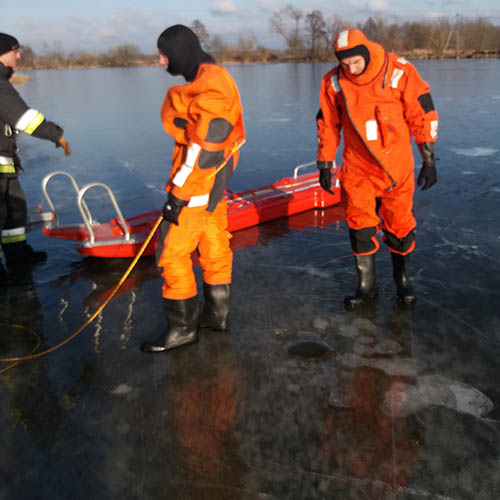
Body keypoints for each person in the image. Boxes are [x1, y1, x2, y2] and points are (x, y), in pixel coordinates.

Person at [141, 25, 245, 353]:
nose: (160, 61)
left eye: (164, 54)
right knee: (214, 246)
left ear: (180, 52)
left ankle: (182, 328)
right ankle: (217, 316)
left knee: (171, 254)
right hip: (213, 185)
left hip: (198, 184)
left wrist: (178, 193)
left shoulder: (212, 84)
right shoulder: (205, 79)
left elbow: (207, 146)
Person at [316, 28, 438, 307]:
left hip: (395, 166)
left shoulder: (399, 71)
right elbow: (327, 124)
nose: (351, 68)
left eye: (355, 62)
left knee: (399, 225)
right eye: (344, 63)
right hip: (357, 167)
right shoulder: (333, 82)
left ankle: (402, 280)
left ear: (366, 53)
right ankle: (366, 286)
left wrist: (428, 158)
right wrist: (324, 162)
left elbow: (423, 113)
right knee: (360, 226)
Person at [0, 33, 71, 284]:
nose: (19, 55)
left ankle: (18, 255)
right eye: (14, 50)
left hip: (5, 167)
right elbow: (25, 119)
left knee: (14, 211)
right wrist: (56, 135)